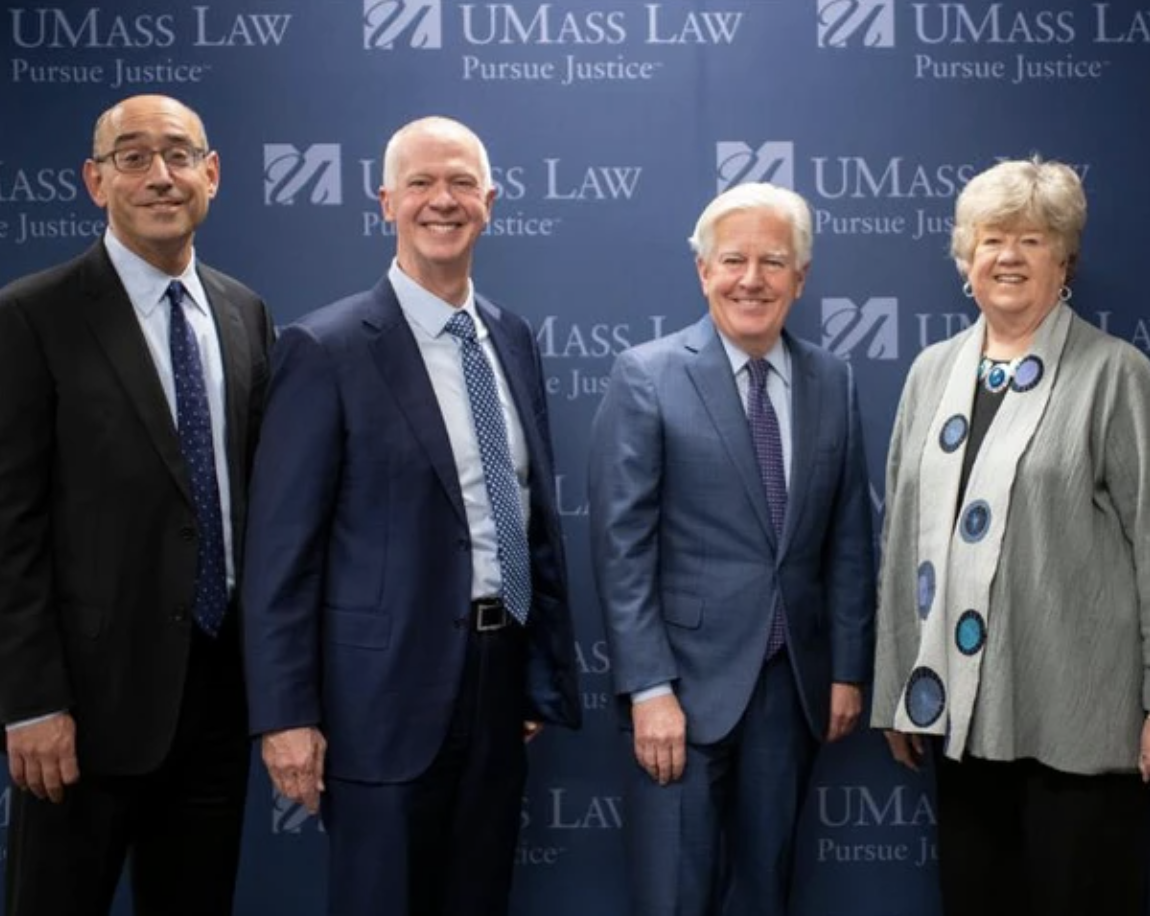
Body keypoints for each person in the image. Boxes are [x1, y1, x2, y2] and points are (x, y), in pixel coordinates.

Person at [241, 115, 581, 916]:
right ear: (385, 200)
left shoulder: (512, 337)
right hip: (377, 706)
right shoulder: (324, 350)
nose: (443, 199)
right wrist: (286, 716)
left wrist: (533, 676)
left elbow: (527, 523)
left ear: (491, 202)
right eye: (422, 182)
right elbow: (280, 558)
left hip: (498, 693)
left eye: (462, 182)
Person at [871, 156, 1150, 916]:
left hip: (1085, 721)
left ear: (1066, 261)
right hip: (964, 719)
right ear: (966, 260)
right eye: (992, 239)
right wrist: (902, 686)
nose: (1009, 257)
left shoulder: (1117, 376)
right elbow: (900, 543)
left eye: (1032, 239)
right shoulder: (931, 373)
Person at [0, 94, 272, 916]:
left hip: (219, 699)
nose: (161, 176)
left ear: (212, 174)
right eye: (133, 157)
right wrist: (32, 702)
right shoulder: (30, 317)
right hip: (80, 715)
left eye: (181, 155)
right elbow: (10, 525)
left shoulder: (244, 313)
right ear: (94, 180)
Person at [587, 182, 875, 916]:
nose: (752, 279)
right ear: (703, 272)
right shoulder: (647, 376)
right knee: (675, 898)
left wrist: (846, 668)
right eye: (734, 260)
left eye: (773, 262)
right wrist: (648, 689)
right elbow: (622, 550)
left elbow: (848, 536)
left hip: (792, 688)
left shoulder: (833, 381)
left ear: (801, 278)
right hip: (680, 693)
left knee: (766, 894)